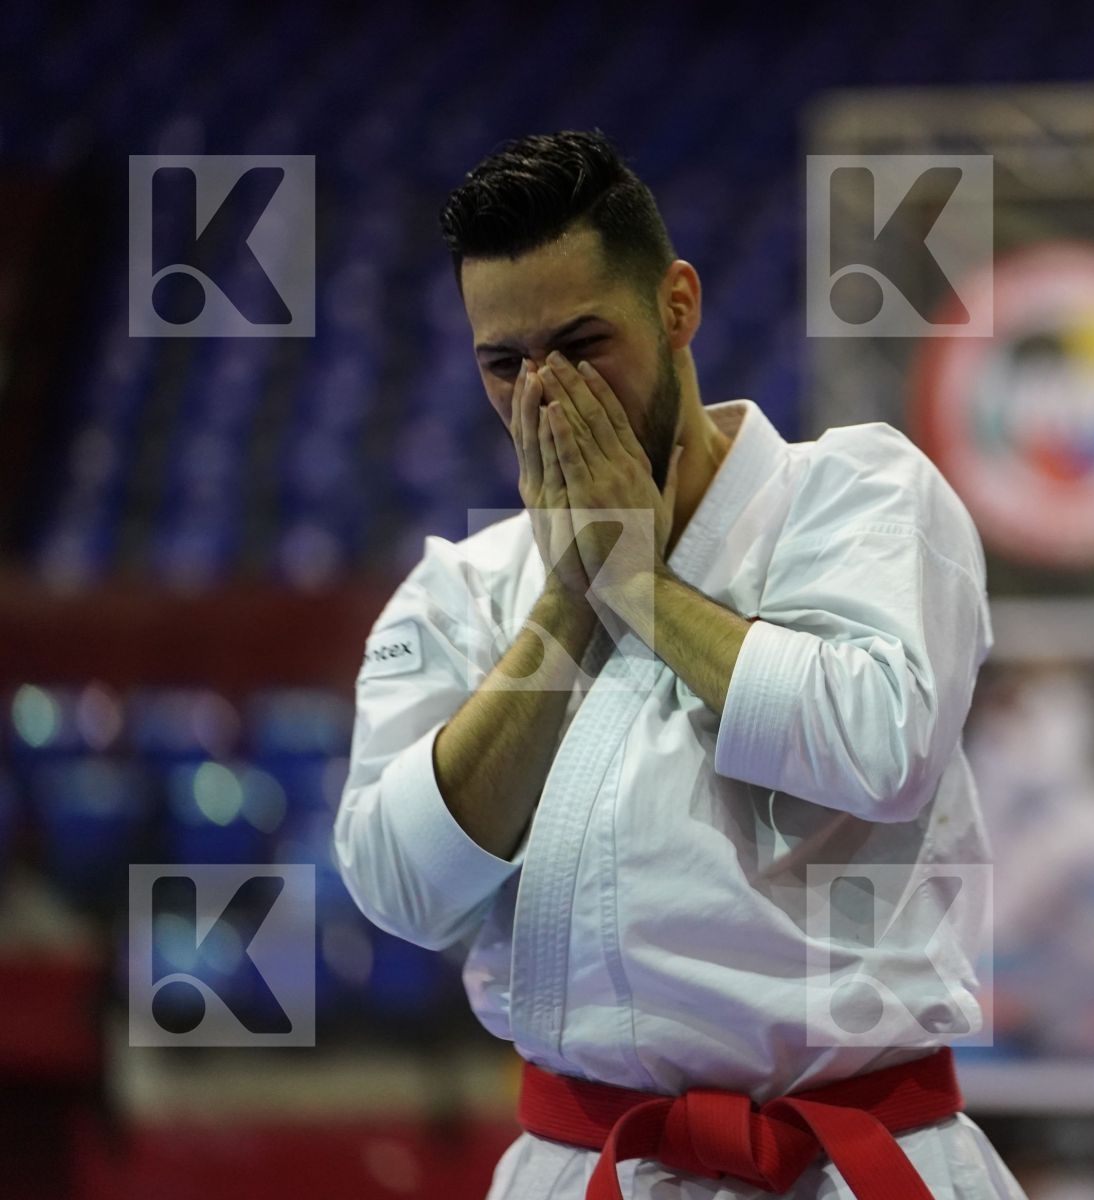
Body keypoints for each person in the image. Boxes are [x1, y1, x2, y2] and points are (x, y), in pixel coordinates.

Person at [333, 130, 1020, 1200]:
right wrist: (569, 606)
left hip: (855, 1158)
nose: (545, 399)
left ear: (679, 305)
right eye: (504, 364)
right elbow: (400, 887)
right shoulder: (461, 589)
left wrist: (639, 588)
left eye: (580, 344)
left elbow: (883, 748)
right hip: (587, 1163)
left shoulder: (860, 496)